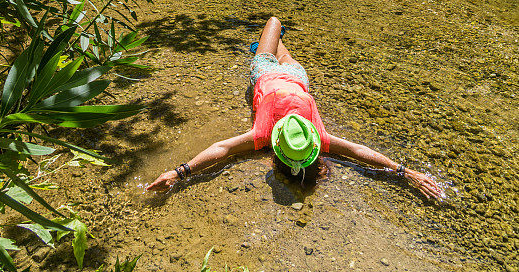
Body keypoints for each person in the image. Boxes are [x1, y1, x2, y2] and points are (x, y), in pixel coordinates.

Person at [147, 17, 443, 201]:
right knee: (269, 45)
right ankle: (273, 36)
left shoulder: (305, 136)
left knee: (272, 41)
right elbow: (358, 151)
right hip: (275, 75)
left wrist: (406, 171)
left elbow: (357, 150)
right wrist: (404, 172)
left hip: (299, 77)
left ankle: (274, 37)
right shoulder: (273, 137)